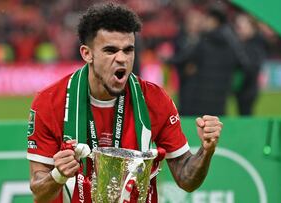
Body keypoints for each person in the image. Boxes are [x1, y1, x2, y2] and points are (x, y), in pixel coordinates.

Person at [27, 3, 223, 203]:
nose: (121, 59)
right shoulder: (49, 102)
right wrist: (58, 175)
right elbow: (38, 192)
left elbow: (186, 179)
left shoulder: (155, 100)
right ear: (87, 54)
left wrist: (206, 150)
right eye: (110, 50)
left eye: (128, 50)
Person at [177, 5, 251, 116]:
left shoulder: (204, 40)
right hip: (220, 97)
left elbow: (184, 58)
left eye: (207, 18)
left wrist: (167, 59)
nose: (204, 21)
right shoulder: (231, 42)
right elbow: (244, 64)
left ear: (214, 21)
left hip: (202, 96)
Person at [233, 13, 267, 115]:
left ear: (251, 27)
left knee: (246, 114)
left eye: (241, 27)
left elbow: (251, 66)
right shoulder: (242, 43)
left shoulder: (257, 43)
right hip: (242, 87)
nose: (238, 30)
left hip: (249, 88)